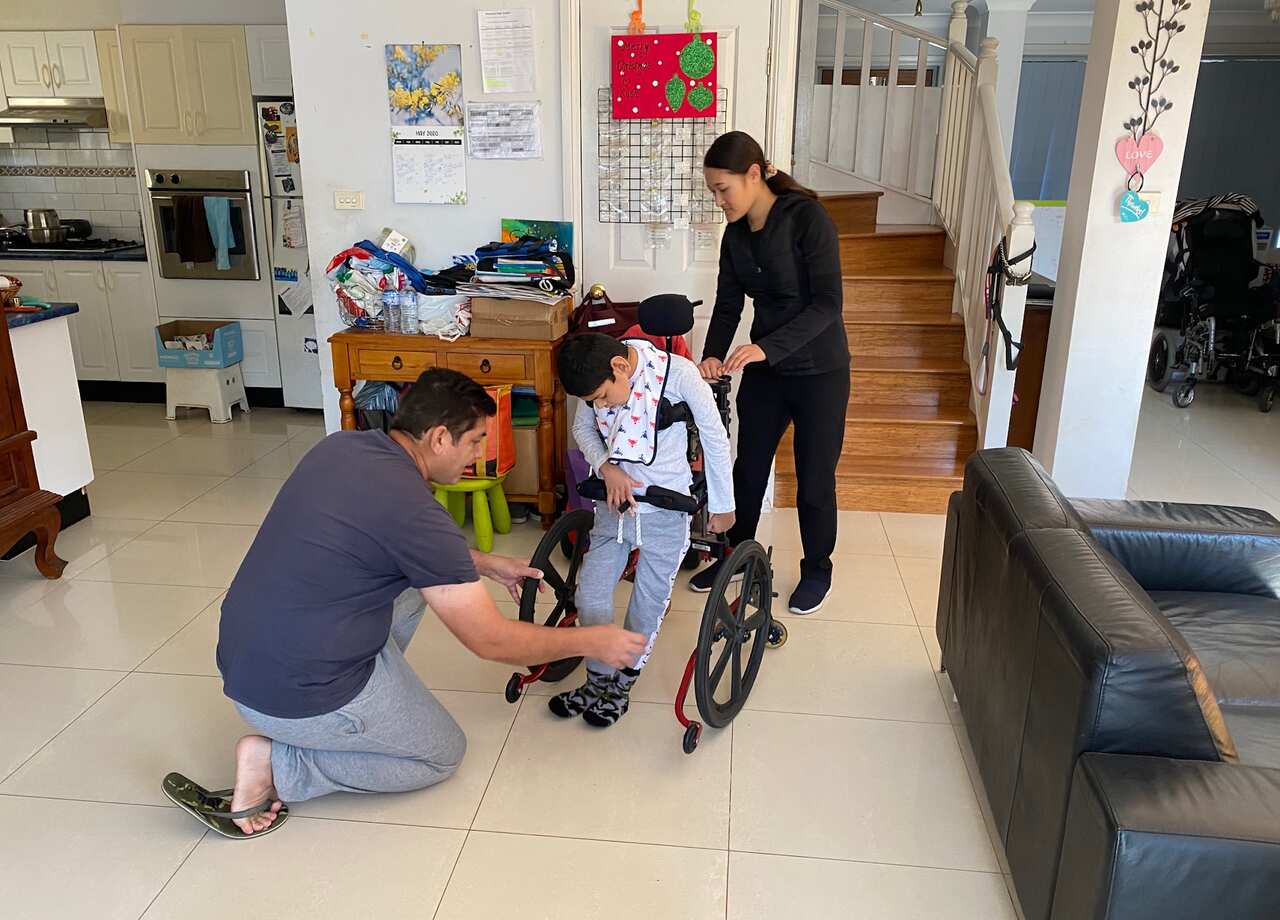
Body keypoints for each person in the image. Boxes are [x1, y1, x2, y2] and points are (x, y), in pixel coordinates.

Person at [207, 368, 646, 836]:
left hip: (244, 662)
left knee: (415, 583)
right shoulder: (417, 513)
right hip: (300, 695)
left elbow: (387, 542)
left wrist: (482, 563)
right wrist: (591, 641)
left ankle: (372, 697)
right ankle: (279, 764)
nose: (481, 453)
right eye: (476, 441)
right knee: (439, 755)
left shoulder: (344, 447)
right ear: (439, 438)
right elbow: (492, 641)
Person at [691, 130, 848, 616]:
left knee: (815, 478)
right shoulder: (735, 235)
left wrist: (764, 348)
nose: (718, 202)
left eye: (723, 190)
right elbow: (727, 304)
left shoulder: (807, 219)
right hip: (766, 370)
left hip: (820, 371)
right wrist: (712, 358)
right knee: (748, 466)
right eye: (713, 192)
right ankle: (735, 555)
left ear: (754, 174)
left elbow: (828, 304)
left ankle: (817, 568)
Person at [553, 332, 734, 727]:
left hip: (666, 507)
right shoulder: (595, 378)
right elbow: (584, 430)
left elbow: (715, 437)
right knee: (591, 597)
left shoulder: (680, 375)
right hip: (614, 505)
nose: (599, 406)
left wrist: (724, 505)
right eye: (593, 401)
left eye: (602, 396)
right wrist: (606, 466)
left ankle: (621, 685)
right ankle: (598, 678)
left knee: (646, 604)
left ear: (619, 367)